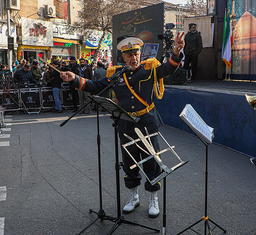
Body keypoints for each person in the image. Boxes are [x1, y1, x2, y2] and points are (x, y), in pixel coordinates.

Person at [61, 35, 185, 218]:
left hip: (147, 123)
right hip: (126, 125)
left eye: (136, 54)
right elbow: (95, 86)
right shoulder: (115, 74)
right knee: (130, 163)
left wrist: (176, 52)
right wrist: (74, 78)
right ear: (123, 57)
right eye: (129, 55)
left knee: (152, 162)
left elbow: (168, 68)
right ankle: (134, 197)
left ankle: (153, 198)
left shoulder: (149, 69)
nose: (133, 58)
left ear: (140, 54)